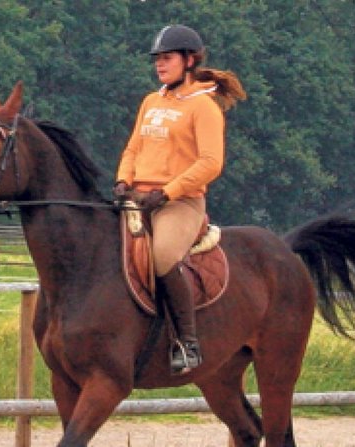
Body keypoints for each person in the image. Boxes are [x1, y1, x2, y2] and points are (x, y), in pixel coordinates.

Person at [113, 24, 245, 374]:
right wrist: (123, 179)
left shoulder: (203, 107)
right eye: (157, 59)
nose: (159, 64)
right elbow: (133, 147)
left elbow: (210, 163)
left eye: (167, 58)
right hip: (139, 197)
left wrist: (167, 192)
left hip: (180, 202)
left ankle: (187, 343)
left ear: (189, 60)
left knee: (162, 256)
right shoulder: (151, 101)